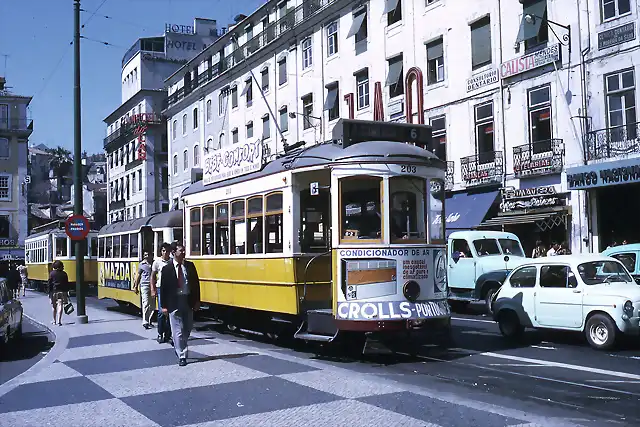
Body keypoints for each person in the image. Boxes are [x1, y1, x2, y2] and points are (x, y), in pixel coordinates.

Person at [160, 243, 200, 366]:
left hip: (187, 300)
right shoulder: (167, 269)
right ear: (173, 252)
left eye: (184, 250)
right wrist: (164, 306)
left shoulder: (190, 266)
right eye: (181, 251)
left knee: (187, 328)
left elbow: (196, 284)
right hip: (174, 302)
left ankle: (179, 344)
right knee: (177, 330)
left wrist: (197, 301)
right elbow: (163, 288)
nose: (183, 253)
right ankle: (182, 355)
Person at [151, 242, 173, 344]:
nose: (165, 253)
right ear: (161, 251)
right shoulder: (157, 262)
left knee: (170, 313)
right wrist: (153, 289)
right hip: (160, 288)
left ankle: (168, 335)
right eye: (164, 251)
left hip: (170, 289)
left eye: (167, 251)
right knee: (161, 312)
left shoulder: (172, 262)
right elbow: (153, 276)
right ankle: (160, 333)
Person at [134, 250, 154, 330]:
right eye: (145, 255)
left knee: (152, 305)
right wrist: (136, 286)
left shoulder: (154, 263)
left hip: (152, 285)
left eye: (148, 254)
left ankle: (149, 321)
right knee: (145, 303)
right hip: (144, 285)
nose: (146, 256)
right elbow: (138, 276)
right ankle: (145, 322)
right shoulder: (141, 264)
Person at [48, 260, 70, 326]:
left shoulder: (52, 273)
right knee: (60, 305)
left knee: (54, 306)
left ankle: (54, 321)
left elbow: (49, 284)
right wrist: (67, 291)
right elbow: (66, 284)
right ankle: (59, 321)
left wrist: (49, 293)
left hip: (54, 292)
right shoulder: (64, 274)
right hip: (62, 291)